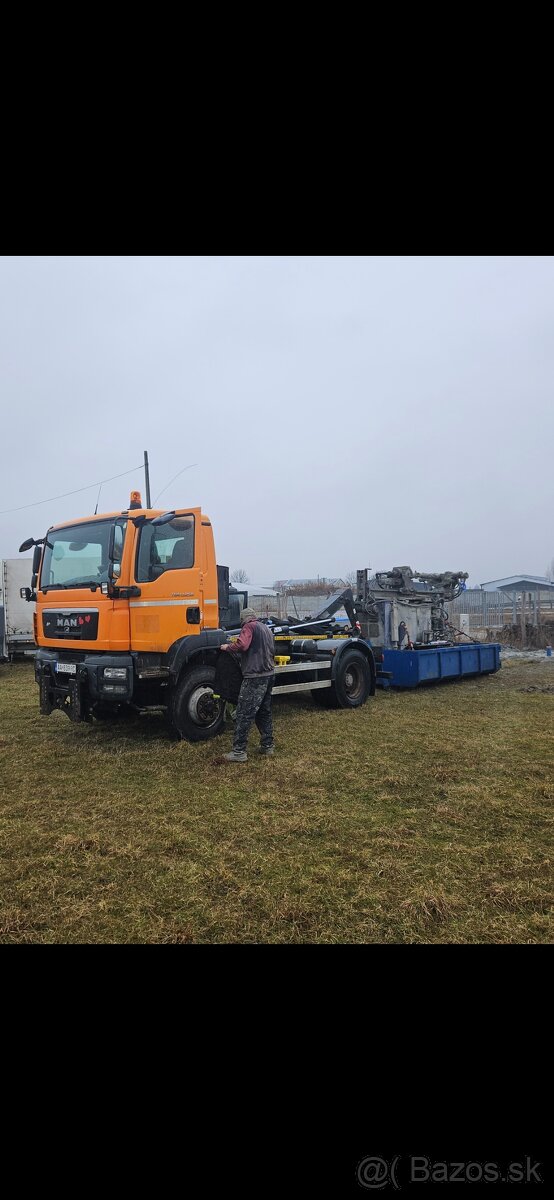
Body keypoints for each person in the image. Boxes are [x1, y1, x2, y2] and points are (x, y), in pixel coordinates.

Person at [220, 607, 275, 762]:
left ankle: (239, 752)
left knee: (244, 713)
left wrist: (227, 647)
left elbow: (242, 645)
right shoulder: (265, 628)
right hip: (269, 674)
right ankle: (267, 745)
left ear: (244, 619)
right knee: (264, 711)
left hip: (254, 676)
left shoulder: (248, 626)